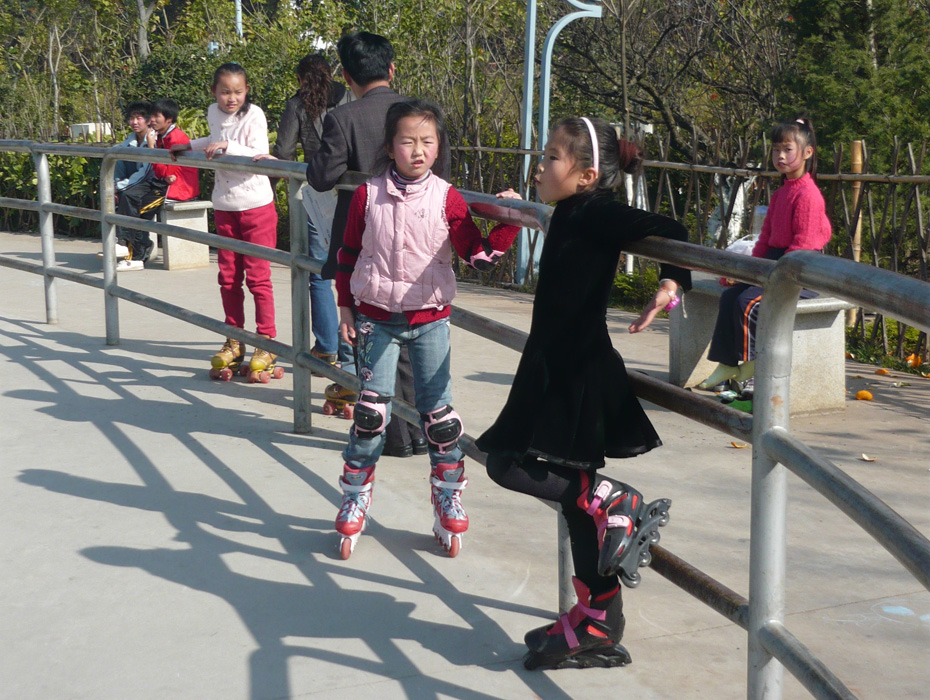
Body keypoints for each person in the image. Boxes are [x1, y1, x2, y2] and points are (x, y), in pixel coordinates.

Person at [475, 117, 692, 670]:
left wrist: (669, 284)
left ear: (587, 174)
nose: (540, 166)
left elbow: (673, 228)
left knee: (507, 465)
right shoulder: (570, 210)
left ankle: (612, 499)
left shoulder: (595, 211)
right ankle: (598, 620)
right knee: (574, 502)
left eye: (551, 158)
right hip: (551, 367)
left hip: (575, 372)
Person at [333, 99, 520, 560]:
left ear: (438, 148)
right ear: (390, 146)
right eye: (407, 141)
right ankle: (355, 494)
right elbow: (348, 254)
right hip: (375, 316)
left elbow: (476, 255)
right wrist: (344, 306)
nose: (418, 150)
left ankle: (447, 494)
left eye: (427, 141)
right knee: (370, 414)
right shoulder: (367, 195)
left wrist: (510, 223)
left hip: (430, 319)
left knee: (440, 419)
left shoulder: (447, 197)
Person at [306, 31, 450, 457]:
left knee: (380, 340)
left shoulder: (344, 118)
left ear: (347, 76)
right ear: (391, 69)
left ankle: (397, 435)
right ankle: (422, 431)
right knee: (417, 339)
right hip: (424, 240)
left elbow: (321, 176)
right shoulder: (423, 117)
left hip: (367, 243)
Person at [697, 116, 832, 399]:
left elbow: (803, 247)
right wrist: (745, 271)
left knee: (748, 303)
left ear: (807, 153)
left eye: (788, 149)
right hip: (774, 263)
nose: (780, 156)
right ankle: (727, 364)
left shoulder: (808, 195)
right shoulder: (782, 193)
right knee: (730, 297)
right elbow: (764, 241)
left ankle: (753, 367)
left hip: (799, 271)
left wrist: (772, 278)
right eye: (776, 150)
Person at [172, 63, 281, 383]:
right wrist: (188, 146)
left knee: (258, 277)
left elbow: (258, 152)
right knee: (228, 277)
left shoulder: (255, 115)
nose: (231, 98)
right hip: (224, 205)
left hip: (256, 206)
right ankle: (234, 339)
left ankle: (266, 341)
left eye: (238, 92)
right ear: (213, 92)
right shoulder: (212, 112)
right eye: (224, 92)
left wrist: (227, 147)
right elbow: (215, 138)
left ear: (247, 91)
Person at [270, 54, 350, 374]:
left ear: (301, 78)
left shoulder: (296, 104)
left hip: (317, 191)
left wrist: (270, 189)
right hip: (351, 191)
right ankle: (351, 355)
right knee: (351, 271)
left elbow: (285, 152)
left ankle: (327, 348)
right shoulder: (348, 95)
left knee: (318, 273)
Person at [108, 100, 166, 271]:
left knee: (133, 207)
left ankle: (135, 253)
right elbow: (118, 166)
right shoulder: (128, 142)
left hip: (159, 188)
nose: (134, 122)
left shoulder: (153, 140)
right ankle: (130, 248)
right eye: (132, 118)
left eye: (139, 118)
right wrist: (115, 186)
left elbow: (146, 173)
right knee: (122, 201)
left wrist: (122, 188)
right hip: (139, 188)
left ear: (149, 120)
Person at [150, 98, 200, 203]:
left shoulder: (176, 139)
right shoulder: (161, 136)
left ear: (169, 119)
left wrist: (151, 149)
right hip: (167, 186)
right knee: (130, 195)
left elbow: (167, 172)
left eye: (156, 116)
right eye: (152, 115)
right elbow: (163, 173)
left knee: (137, 203)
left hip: (179, 190)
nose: (152, 120)